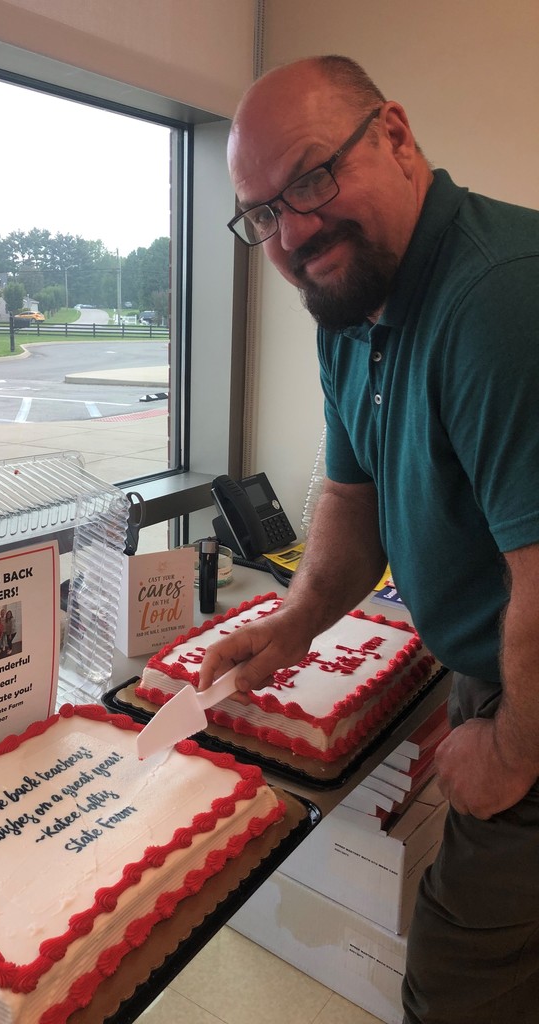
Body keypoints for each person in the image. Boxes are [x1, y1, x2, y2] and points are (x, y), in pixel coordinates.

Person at [198, 55, 539, 1023]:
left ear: (395, 135)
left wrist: (512, 751)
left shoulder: (497, 301)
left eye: (311, 177)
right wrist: (295, 618)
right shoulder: (352, 308)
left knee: (460, 981)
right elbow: (352, 499)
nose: (294, 232)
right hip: (503, 667)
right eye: (263, 214)